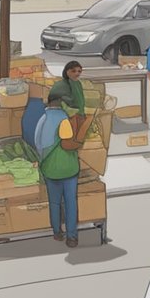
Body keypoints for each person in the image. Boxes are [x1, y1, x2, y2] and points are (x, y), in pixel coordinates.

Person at [35, 90, 92, 247]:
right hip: (68, 168)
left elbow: (37, 142)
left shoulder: (42, 119)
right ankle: (72, 236)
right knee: (70, 202)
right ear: (60, 103)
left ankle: (57, 232)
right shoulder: (65, 119)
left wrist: (43, 160)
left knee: (54, 202)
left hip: (49, 169)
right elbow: (69, 144)